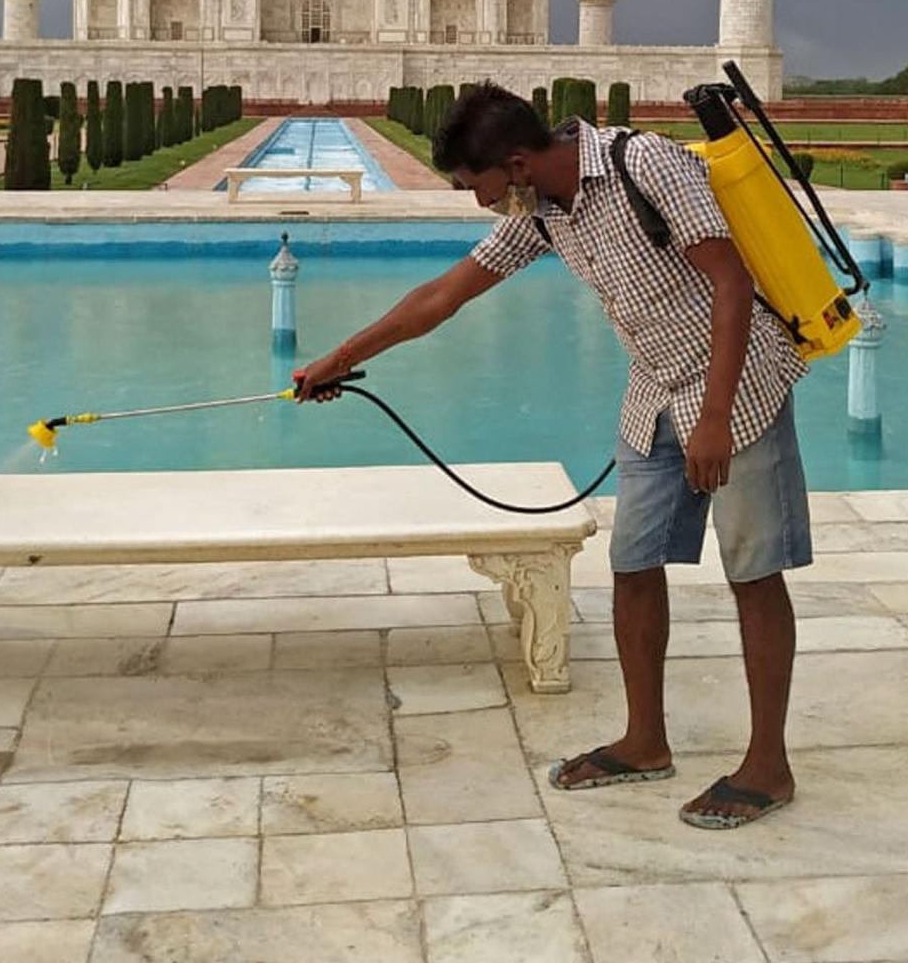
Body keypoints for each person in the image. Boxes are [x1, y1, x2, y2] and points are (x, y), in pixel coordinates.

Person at [295, 83, 812, 830]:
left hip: (740, 382)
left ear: (515, 162)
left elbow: (733, 283)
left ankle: (769, 765)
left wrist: (717, 419)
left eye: (476, 188)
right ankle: (644, 741)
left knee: (752, 571)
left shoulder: (648, 165)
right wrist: (341, 358)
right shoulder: (541, 211)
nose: (479, 204)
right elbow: (446, 294)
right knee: (633, 565)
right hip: (656, 386)